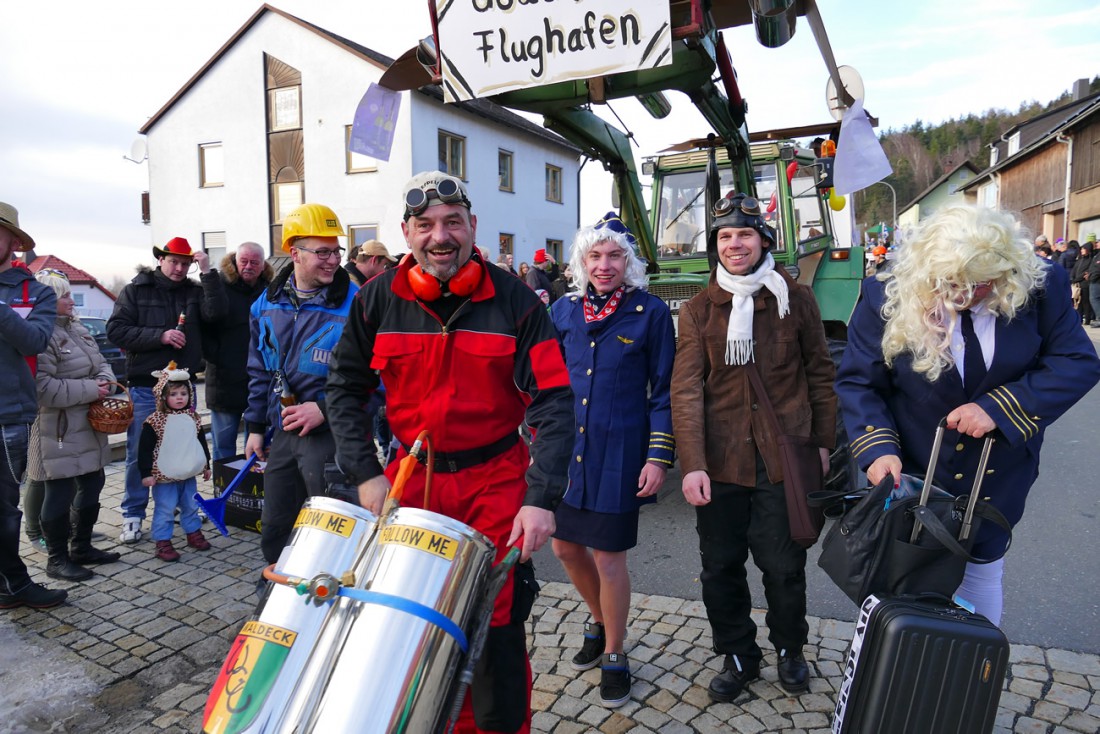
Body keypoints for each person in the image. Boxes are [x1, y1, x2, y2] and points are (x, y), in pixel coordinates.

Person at [326, 171, 574, 734]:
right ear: (407, 233)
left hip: (495, 484)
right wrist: (364, 472)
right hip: (409, 485)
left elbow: (555, 402)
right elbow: (343, 386)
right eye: (426, 225)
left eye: (452, 223)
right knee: (407, 621)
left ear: (472, 227)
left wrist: (540, 499)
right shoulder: (376, 300)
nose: (441, 236)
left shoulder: (516, 303)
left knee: (496, 625)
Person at [835, 205, 1100, 625]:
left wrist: (999, 408)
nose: (963, 296)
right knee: (904, 585)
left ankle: (968, 680)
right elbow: (859, 382)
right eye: (951, 284)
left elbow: (1077, 361)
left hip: (997, 473)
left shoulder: (1040, 282)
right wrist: (877, 449)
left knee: (980, 575)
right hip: (915, 471)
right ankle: (900, 679)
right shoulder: (885, 291)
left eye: (979, 285)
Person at [671, 192, 836, 702]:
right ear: (715, 247)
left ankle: (791, 648)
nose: (735, 244)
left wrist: (824, 446)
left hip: (782, 459)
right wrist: (692, 464)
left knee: (784, 567)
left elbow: (821, 376)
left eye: (744, 234)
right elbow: (686, 390)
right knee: (719, 567)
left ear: (763, 240)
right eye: (725, 237)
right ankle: (739, 653)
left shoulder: (795, 299)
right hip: (721, 462)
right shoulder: (699, 310)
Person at [549, 213, 675, 708]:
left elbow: (664, 391)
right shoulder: (562, 311)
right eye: (595, 256)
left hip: (620, 450)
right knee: (563, 550)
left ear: (629, 262)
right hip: (566, 451)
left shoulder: (650, 313)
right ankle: (599, 621)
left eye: (614, 256)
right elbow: (543, 382)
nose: (604, 265)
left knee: (608, 557)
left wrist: (658, 456)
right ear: (582, 261)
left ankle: (616, 653)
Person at [244, 203, 358, 566]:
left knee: (329, 532)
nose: (332, 260)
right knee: (276, 527)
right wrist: (255, 428)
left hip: (335, 437)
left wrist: (323, 409)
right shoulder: (266, 304)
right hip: (282, 436)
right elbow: (260, 369)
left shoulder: (358, 305)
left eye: (336, 251)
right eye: (322, 252)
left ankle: (329, 606)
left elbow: (380, 379)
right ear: (294, 253)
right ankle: (277, 597)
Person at [107, 237, 225, 543]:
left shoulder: (194, 290)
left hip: (183, 387)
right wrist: (159, 336)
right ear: (161, 260)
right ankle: (133, 513)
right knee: (139, 451)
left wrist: (208, 271)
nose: (179, 268)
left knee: (184, 449)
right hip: (147, 386)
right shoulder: (136, 290)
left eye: (186, 263)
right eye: (174, 261)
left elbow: (218, 315)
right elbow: (116, 330)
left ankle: (180, 507)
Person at [26, 269, 120, 581]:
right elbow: (44, 389)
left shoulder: (76, 328)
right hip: (59, 429)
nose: (71, 300)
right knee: (60, 493)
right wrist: (94, 389)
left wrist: (107, 380)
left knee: (93, 484)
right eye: (64, 295)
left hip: (89, 424)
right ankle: (57, 559)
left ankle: (81, 546)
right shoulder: (40, 335)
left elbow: (101, 362)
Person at [0, 202, 68, 609]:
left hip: (8, 415)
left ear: (13, 241)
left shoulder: (35, 292)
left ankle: (15, 583)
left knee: (4, 509)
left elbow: (35, 341)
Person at [202, 242, 273, 461]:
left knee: (256, 446)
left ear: (263, 265)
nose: (248, 266)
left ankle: (250, 493)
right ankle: (222, 491)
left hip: (259, 380)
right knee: (223, 447)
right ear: (235, 261)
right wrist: (218, 357)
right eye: (244, 261)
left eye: (254, 262)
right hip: (224, 379)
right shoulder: (218, 287)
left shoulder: (270, 292)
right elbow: (205, 325)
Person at [138, 364, 212, 561]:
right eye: (174, 394)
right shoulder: (155, 421)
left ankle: (193, 532)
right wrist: (146, 473)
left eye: (183, 393)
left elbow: (200, 442)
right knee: (165, 508)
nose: (180, 398)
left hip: (188, 473)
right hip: (164, 476)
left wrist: (206, 465)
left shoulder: (193, 417)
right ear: (162, 396)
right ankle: (163, 542)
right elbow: (144, 450)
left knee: (190, 504)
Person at [1071, 240, 1094, 326]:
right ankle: (1079, 319)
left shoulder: (1090, 260)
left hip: (1084, 284)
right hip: (1077, 284)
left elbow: (1085, 273)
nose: (1082, 250)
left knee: (1085, 302)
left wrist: (1076, 279)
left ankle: (1087, 319)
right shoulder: (1079, 260)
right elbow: (1074, 270)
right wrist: (1072, 278)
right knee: (1077, 303)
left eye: (1084, 249)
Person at [1087, 234, 1100, 329]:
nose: (1096, 244)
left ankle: (1099, 318)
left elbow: (1098, 269)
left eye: (1098, 242)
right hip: (1093, 280)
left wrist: (1092, 277)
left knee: (1094, 299)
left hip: (1096, 281)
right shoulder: (1097, 254)